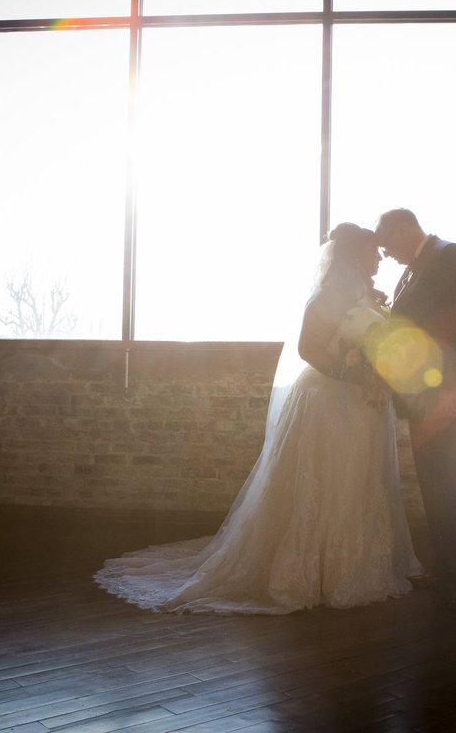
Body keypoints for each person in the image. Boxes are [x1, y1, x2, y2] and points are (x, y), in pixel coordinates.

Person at [95, 224, 421, 614]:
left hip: (362, 405)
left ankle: (354, 564)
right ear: (353, 254)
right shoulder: (325, 297)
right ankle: (313, 570)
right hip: (329, 402)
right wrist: (356, 373)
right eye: (373, 251)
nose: (379, 257)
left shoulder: (365, 294)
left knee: (357, 482)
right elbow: (307, 349)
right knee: (327, 481)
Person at [373, 208, 456, 610]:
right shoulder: (412, 271)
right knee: (436, 487)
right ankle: (446, 567)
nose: (387, 254)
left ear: (404, 226)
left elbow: (455, 328)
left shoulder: (452, 257)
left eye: (388, 244)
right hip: (426, 400)